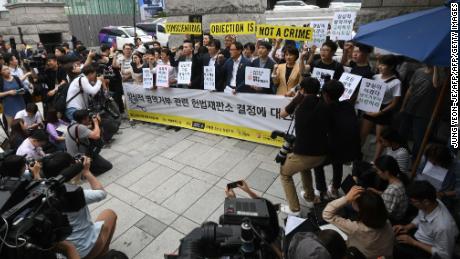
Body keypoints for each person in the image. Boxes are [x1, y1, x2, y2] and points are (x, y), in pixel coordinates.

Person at [42, 152, 117, 259]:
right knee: (110, 213)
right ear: (70, 170)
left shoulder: (41, 193)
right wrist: (86, 172)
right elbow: (101, 193)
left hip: (63, 253)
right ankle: (103, 252)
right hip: (85, 249)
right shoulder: (73, 194)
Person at [279, 77, 330, 215]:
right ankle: (310, 196)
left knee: (284, 173)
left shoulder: (300, 102)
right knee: (304, 168)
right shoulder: (324, 103)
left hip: (305, 153)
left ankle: (294, 209)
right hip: (323, 153)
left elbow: (282, 114)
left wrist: (296, 98)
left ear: (302, 90)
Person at [313, 80, 361, 200]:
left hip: (337, 149)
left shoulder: (325, 109)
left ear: (326, 95)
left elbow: (320, 131)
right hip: (352, 149)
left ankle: (322, 191)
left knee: (316, 163)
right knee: (337, 162)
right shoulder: (348, 105)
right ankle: (334, 188)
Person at [323, 186, 395, 258]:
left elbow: (327, 214)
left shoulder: (356, 228)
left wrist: (346, 198)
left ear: (361, 209)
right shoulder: (387, 221)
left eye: (353, 200)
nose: (352, 201)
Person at [393, 181, 458, 259]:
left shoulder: (443, 227)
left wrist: (413, 242)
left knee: (394, 249)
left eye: (413, 202)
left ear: (426, 202)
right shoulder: (430, 203)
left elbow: (444, 255)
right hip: (418, 235)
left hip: (426, 249)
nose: (411, 204)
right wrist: (408, 227)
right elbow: (420, 217)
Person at [361, 54, 402, 162]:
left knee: (380, 138)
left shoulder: (396, 82)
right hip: (371, 105)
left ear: (392, 67)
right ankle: (356, 155)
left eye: (383, 65)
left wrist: (380, 112)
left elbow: (395, 103)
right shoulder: (375, 77)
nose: (380, 67)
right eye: (380, 64)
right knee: (363, 133)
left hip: (384, 110)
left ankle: (375, 161)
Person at [399, 65, 439, 161]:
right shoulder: (418, 71)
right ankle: (402, 156)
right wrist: (403, 106)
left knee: (419, 138)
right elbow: (410, 89)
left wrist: (436, 68)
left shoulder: (439, 75)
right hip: (410, 107)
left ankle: (414, 160)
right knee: (401, 133)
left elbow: (436, 84)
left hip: (423, 113)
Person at [65, 109, 112, 175]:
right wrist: (96, 123)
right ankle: (86, 171)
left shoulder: (74, 124)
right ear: (84, 119)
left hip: (76, 155)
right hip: (80, 158)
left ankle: (93, 162)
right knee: (108, 166)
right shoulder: (80, 127)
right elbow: (96, 136)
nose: (89, 119)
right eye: (88, 118)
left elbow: (88, 129)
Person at [370, 155, 409, 223]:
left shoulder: (391, 191)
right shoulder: (399, 181)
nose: (377, 173)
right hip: (399, 216)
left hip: (392, 221)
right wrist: (377, 192)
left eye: (378, 170)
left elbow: (383, 215)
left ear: (386, 172)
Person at [97, 44, 124, 114]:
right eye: (102, 56)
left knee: (118, 96)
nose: (103, 57)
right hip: (109, 81)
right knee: (113, 96)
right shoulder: (100, 60)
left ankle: (120, 110)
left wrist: (112, 55)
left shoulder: (112, 57)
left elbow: (116, 65)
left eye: (104, 55)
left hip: (116, 79)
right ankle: (118, 110)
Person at [0, 64, 27, 129]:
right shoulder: (1, 81)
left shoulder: (16, 78)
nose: (7, 70)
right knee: (12, 126)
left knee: (24, 124)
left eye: (7, 68)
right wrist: (8, 92)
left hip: (20, 104)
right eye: (4, 69)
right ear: (1, 72)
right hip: (9, 107)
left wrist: (20, 91)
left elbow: (23, 89)